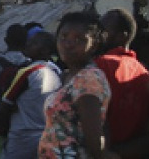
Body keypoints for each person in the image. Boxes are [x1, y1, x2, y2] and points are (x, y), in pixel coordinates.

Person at [38, 12, 113, 159]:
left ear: (94, 45)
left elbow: (95, 143)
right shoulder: (68, 75)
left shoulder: (88, 79)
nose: (68, 44)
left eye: (79, 39)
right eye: (63, 37)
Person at [94, 9, 149, 158]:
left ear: (122, 36)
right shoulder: (145, 73)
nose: (98, 36)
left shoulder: (100, 65)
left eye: (104, 31)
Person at [0, 30, 60, 159]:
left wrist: (2, 130)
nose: (28, 44)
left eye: (34, 43)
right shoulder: (57, 72)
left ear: (44, 51)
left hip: (21, 137)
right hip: (47, 135)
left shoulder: (28, 72)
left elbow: (5, 105)